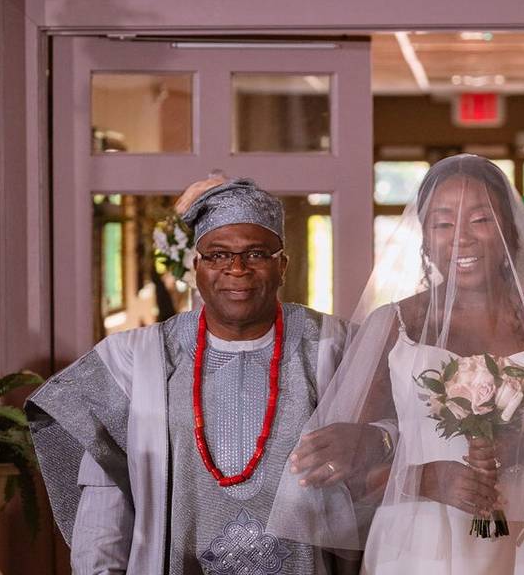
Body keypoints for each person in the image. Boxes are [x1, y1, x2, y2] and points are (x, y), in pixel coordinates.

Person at [267, 155, 524, 574]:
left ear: (509, 233)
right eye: (442, 223)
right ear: (425, 239)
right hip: (413, 549)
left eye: (481, 220)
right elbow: (347, 474)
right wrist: (428, 478)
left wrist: (519, 448)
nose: (461, 238)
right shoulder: (392, 326)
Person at [26, 178, 354, 574]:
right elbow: (105, 499)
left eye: (256, 253)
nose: (236, 268)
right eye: (217, 255)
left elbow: (387, 455)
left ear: (282, 264)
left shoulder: (333, 348)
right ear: (196, 267)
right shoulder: (137, 360)